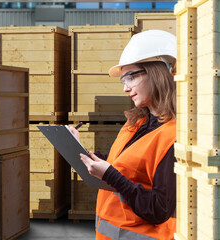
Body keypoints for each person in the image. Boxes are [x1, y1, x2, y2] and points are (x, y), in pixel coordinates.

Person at [68, 30, 177, 240]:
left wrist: (109, 175)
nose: (126, 88)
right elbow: (122, 165)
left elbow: (158, 209)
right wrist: (80, 150)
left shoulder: (173, 136)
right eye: (123, 80)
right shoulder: (137, 123)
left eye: (131, 77)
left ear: (158, 73)